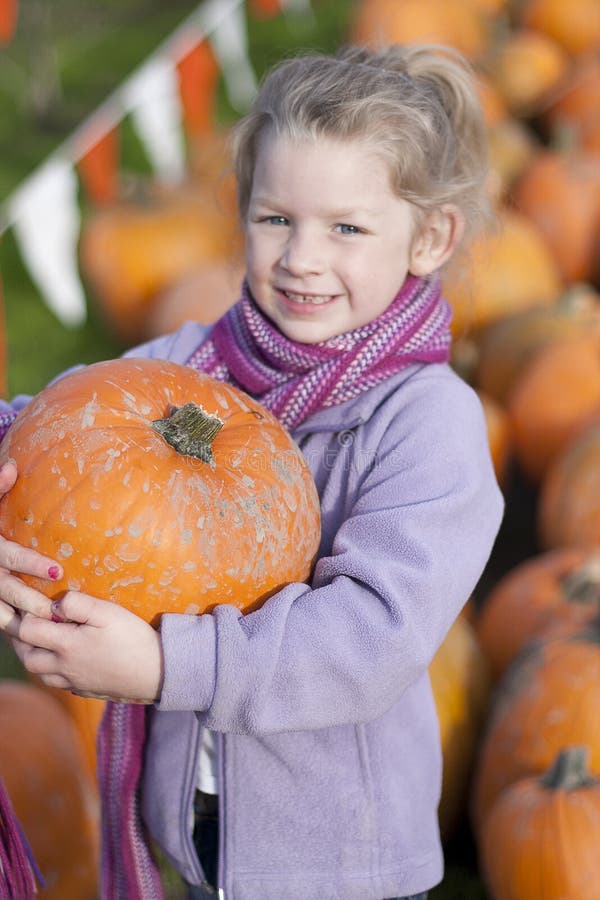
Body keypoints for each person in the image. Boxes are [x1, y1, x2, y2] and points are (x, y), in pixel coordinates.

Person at [0, 43, 503, 900]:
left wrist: (165, 669)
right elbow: (64, 420)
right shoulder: (198, 368)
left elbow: (369, 639)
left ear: (430, 237)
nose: (302, 257)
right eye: (277, 219)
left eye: (346, 227)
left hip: (343, 861)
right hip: (200, 835)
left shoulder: (428, 424)